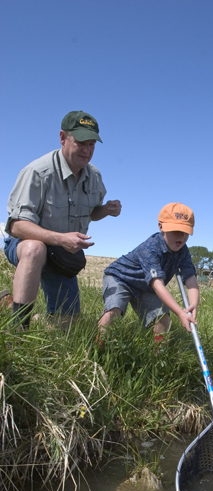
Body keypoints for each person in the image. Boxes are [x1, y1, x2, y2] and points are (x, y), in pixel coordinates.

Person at [3, 110, 122, 328]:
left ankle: (9, 305)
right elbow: (16, 226)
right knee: (34, 248)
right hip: (25, 245)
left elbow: (92, 212)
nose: (86, 150)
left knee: (67, 326)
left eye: (92, 145)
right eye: (80, 143)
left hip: (63, 254)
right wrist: (60, 239)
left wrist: (105, 209)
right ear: (62, 138)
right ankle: (17, 330)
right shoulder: (37, 172)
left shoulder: (94, 176)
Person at [98, 202, 199, 346]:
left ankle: (158, 358)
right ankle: (96, 350)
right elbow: (158, 285)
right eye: (176, 230)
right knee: (114, 311)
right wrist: (180, 313)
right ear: (161, 227)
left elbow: (191, 280)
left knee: (162, 317)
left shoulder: (183, 251)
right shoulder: (151, 248)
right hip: (121, 279)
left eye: (186, 231)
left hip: (145, 286)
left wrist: (193, 304)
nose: (181, 236)